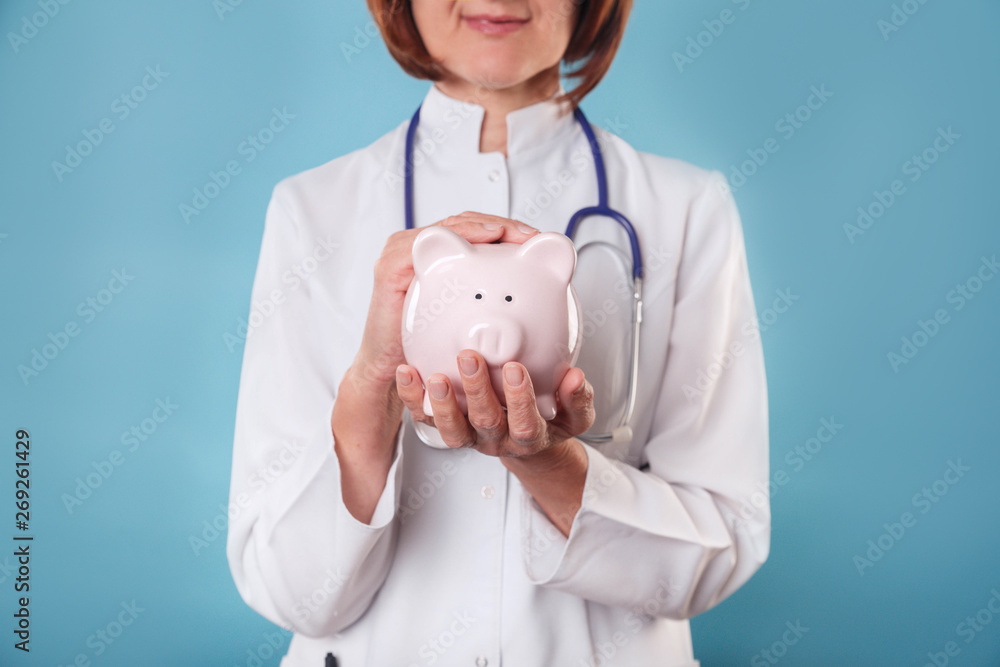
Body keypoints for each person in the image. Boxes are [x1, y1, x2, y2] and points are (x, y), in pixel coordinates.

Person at [226, 1, 770, 665]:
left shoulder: (687, 210)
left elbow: (721, 546)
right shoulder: (311, 211)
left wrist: (552, 464)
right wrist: (371, 390)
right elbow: (290, 591)